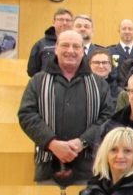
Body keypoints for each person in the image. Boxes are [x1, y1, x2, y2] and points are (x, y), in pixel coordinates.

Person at [18, 30, 113, 184]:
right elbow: (26, 115)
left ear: (83, 50)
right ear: (56, 48)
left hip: (88, 166)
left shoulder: (99, 84)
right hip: (47, 166)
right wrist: (52, 143)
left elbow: (107, 117)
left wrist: (82, 142)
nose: (70, 51)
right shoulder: (38, 81)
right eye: (65, 45)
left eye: (76, 46)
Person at [27, 8, 73, 76]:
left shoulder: (78, 44)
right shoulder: (40, 45)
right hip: (47, 84)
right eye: (61, 19)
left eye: (68, 20)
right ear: (53, 22)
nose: (64, 23)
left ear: (72, 23)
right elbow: (32, 71)